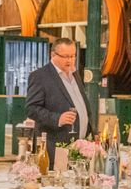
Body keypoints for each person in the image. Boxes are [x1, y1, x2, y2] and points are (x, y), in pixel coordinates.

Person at [26, 38, 93, 169]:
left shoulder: (75, 75)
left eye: (73, 56)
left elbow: (82, 105)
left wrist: (92, 130)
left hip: (79, 147)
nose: (70, 60)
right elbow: (31, 109)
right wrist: (58, 119)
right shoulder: (40, 76)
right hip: (55, 146)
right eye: (65, 56)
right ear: (53, 55)